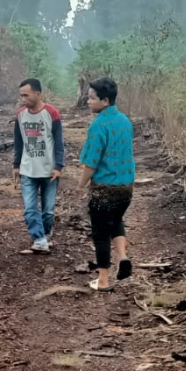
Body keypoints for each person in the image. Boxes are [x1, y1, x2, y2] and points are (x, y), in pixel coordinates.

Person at [78, 78, 135, 292]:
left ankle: (102, 280)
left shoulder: (99, 125)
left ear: (105, 100)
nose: (88, 102)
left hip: (104, 189)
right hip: (126, 187)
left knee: (101, 233)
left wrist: (81, 185)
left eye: (92, 98)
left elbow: (91, 162)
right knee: (116, 220)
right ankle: (122, 257)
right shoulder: (125, 121)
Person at [13, 78, 65, 253]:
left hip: (48, 170)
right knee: (29, 208)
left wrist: (58, 166)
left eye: (26, 95)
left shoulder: (51, 113)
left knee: (48, 210)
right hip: (28, 169)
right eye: (21, 96)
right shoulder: (20, 115)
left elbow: (59, 142)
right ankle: (39, 239)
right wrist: (16, 164)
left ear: (38, 93)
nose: (23, 99)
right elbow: (19, 141)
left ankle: (45, 235)